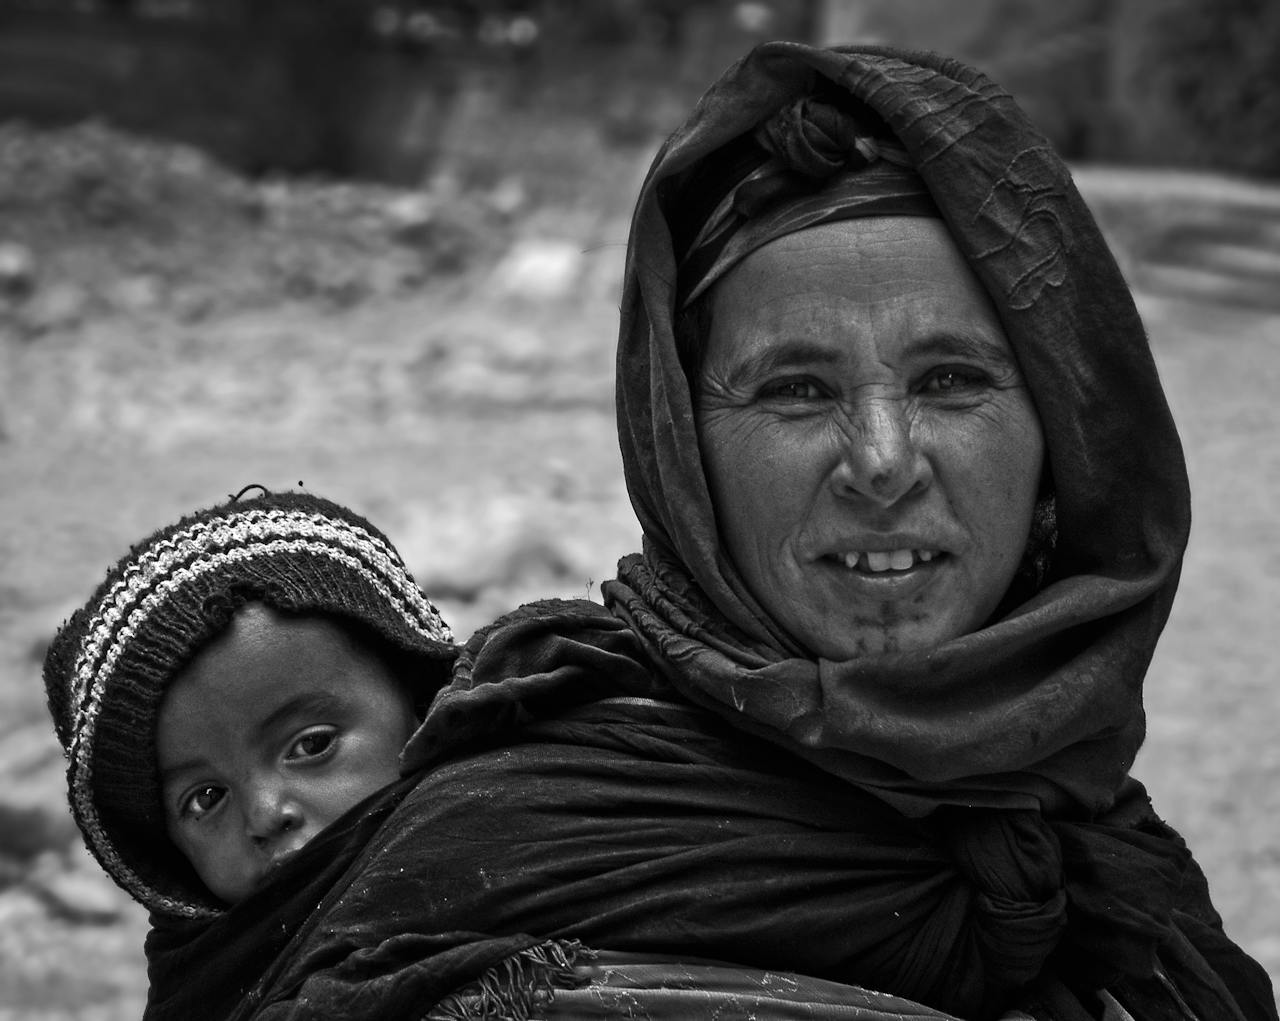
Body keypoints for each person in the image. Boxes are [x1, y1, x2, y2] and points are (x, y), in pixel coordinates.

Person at [97, 44, 1278, 1021]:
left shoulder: (1092, 841)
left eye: (953, 379)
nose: (878, 461)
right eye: (793, 391)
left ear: (1065, 443)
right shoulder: (495, 843)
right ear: (681, 454)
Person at [41, 487, 457, 1015]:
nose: (265, 815)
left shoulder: (556, 828)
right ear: (169, 861)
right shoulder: (207, 997)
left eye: (312, 745)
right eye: (206, 798)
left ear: (424, 707)